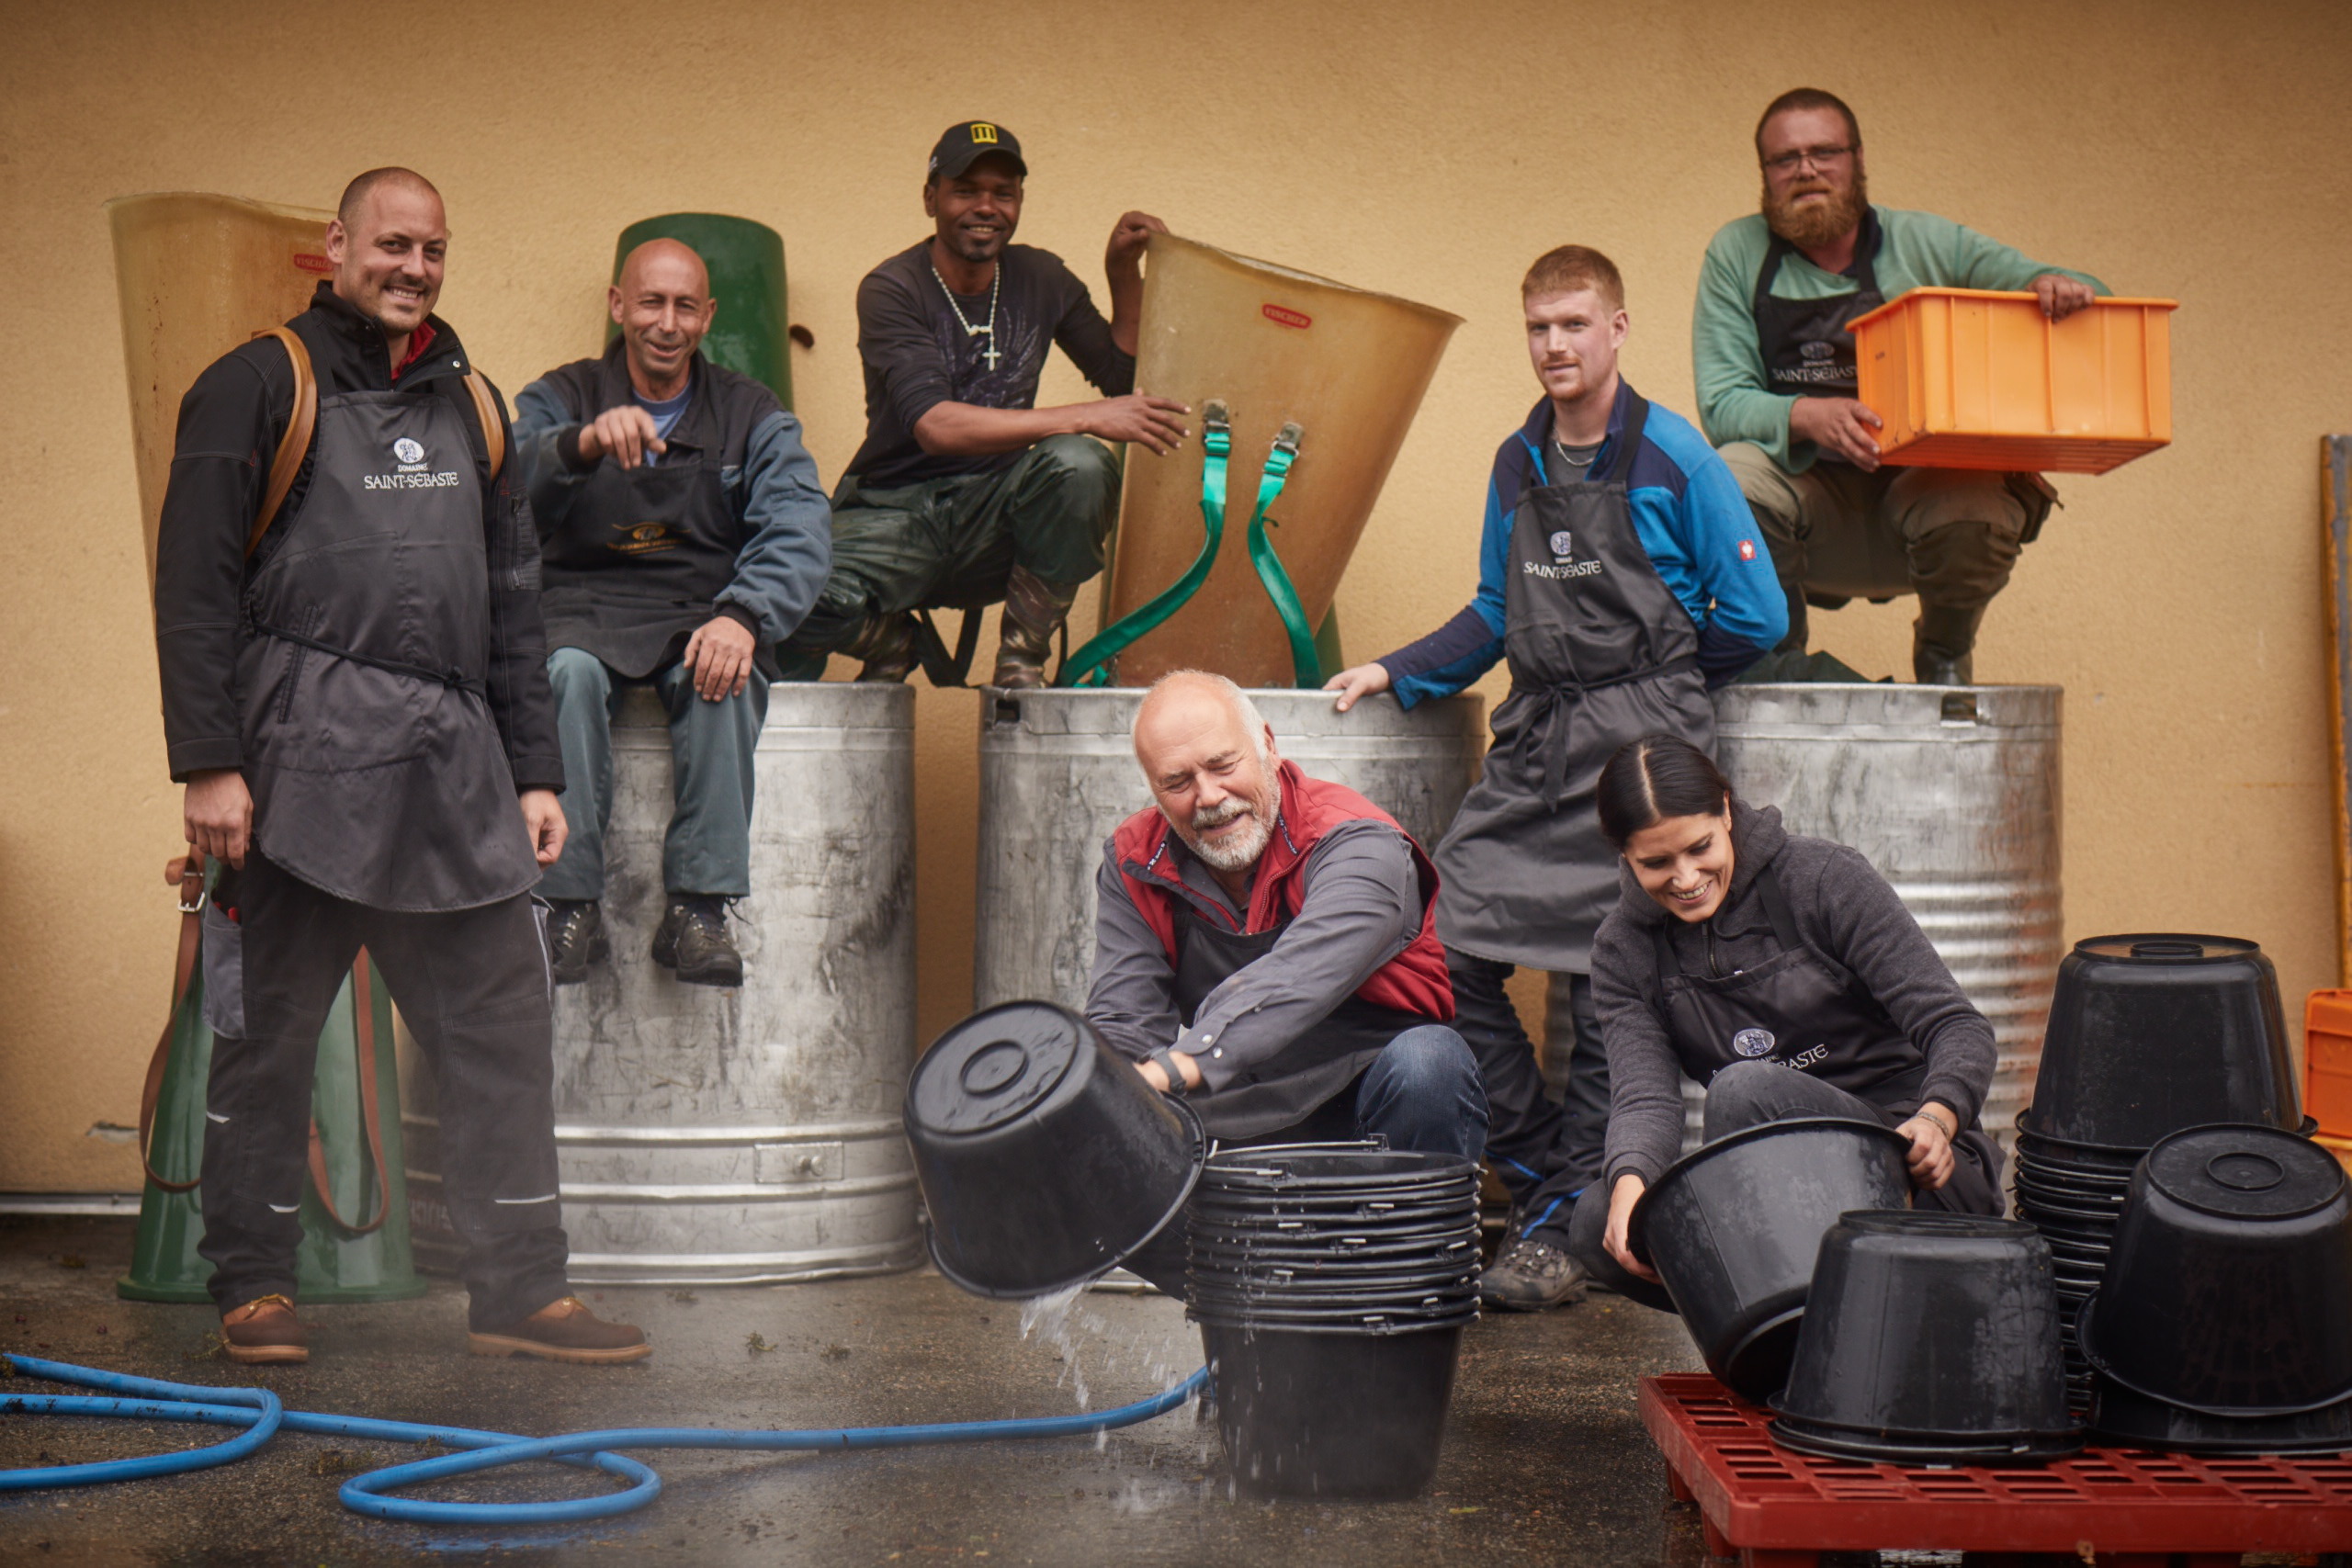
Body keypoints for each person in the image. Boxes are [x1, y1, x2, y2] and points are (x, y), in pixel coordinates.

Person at [153, 167, 646, 1366]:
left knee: (500, 1034)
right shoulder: (256, 383)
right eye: (391, 244)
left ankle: (522, 1291)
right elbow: (193, 587)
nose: (413, 268)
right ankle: (254, 1287)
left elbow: (516, 601)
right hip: (300, 769)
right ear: (336, 245)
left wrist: (534, 772)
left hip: (454, 775)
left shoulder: (474, 404)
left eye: (432, 249)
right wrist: (209, 763)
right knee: (269, 1039)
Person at [1323, 246, 1784, 1311]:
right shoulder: (1517, 460)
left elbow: (1757, 616)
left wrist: (1662, 683)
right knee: (1438, 947)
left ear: (1617, 329)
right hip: (1536, 742)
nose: (1554, 345)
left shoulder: (1675, 455)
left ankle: (1569, 1223)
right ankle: (1541, 1173)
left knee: (1605, 980)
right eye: (1538, 327)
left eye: (1574, 324)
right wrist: (1395, 669)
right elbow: (1496, 609)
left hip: (1638, 748)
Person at [1569, 736, 2002, 1310]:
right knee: (1600, 1221)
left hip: (1910, 1173)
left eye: (1700, 847)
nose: (1686, 877)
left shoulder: (1822, 880)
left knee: (1743, 1092)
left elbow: (1958, 1027)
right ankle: (1781, 1341)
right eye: (1656, 862)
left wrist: (1936, 1119)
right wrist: (1631, 1183)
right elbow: (1645, 1099)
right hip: (1769, 1195)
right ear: (1625, 856)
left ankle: (1815, 1318)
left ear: (1726, 811)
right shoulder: (1623, 950)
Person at [1694, 87, 2109, 684]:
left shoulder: (1926, 243)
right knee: (1729, 477)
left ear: (1859, 159)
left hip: (1919, 502)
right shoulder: (1737, 252)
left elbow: (2075, 289)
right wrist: (1810, 416)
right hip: (1807, 510)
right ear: (1764, 174)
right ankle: (1779, 667)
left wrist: (2058, 287)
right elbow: (1722, 403)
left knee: (1978, 499)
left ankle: (1944, 653)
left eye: (1824, 152)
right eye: (1785, 159)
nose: (1806, 170)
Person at [1087, 672, 1488, 1288]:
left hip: (1367, 1109)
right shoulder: (1136, 861)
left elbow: (1303, 972)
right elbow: (1122, 1023)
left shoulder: (1356, 841)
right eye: (1177, 782)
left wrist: (1182, 1063)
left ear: (1268, 746)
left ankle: (1395, 1300)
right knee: (1100, 1143)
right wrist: (1091, 1111)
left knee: (1431, 1063)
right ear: (1154, 788)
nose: (1208, 796)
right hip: (1233, 1122)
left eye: (1223, 765)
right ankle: (1252, 1306)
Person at [513, 238, 831, 987]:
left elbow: (800, 525)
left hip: (701, 610)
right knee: (565, 674)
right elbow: (500, 485)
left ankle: (699, 910)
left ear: (708, 316)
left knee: (725, 676)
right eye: (650, 302)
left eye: (685, 306)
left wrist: (745, 615)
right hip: (581, 611)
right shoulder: (561, 396)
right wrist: (580, 445)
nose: (666, 322)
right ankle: (567, 907)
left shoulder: (752, 413)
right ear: (617, 305)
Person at [780, 119, 1189, 687]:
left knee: (1080, 465)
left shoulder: (1042, 277)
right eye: (966, 190)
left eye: (1004, 192)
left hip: (996, 519)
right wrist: (1083, 417)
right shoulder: (893, 288)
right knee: (781, 580)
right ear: (931, 199)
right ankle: (893, 642)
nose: (986, 207)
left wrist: (1122, 271)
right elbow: (936, 427)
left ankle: (1021, 665)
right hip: (894, 512)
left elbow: (1122, 379)